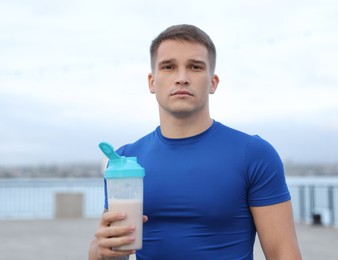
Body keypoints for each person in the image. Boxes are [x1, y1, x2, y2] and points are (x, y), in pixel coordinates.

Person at [89, 24, 302, 260]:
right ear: (152, 81)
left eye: (195, 67)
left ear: (213, 82)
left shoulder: (253, 154)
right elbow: (113, 251)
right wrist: (101, 252)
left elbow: (284, 253)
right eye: (168, 67)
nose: (182, 78)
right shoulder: (124, 160)